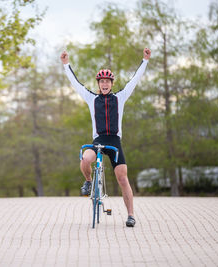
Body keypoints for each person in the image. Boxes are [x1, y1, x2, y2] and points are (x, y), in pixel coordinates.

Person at [60, 48, 151, 227]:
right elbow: (75, 83)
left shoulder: (121, 97)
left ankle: (131, 215)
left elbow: (135, 80)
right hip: (98, 140)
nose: (104, 84)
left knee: (123, 178)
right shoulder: (91, 98)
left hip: (114, 142)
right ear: (98, 84)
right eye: (102, 81)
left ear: (111, 83)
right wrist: (66, 64)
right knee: (85, 159)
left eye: (107, 81)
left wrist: (145, 60)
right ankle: (88, 182)